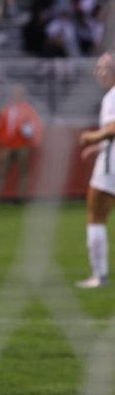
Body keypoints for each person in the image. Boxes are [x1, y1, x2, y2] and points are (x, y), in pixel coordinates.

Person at [76, 53, 115, 288]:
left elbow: (113, 128)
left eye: (102, 68)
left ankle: (99, 275)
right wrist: (99, 147)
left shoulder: (112, 96)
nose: (98, 72)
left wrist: (92, 137)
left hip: (112, 166)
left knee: (95, 216)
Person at [0, 85, 42, 204]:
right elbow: (2, 126)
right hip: (7, 145)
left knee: (23, 172)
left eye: (19, 93)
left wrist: (28, 131)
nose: (17, 96)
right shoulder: (7, 109)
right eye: (15, 93)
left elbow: (34, 125)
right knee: (1, 171)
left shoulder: (28, 109)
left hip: (22, 145)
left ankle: (21, 197)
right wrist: (2, 140)